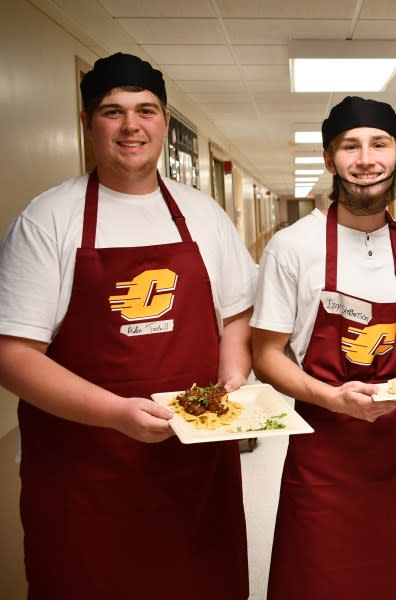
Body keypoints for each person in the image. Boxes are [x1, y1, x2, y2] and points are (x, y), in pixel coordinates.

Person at [0, 53, 257, 599]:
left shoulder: (204, 214)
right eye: (112, 112)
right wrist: (115, 414)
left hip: (194, 467)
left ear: (164, 120)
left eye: (146, 110)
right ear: (87, 123)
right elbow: (13, 355)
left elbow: (237, 316)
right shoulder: (49, 220)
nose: (131, 126)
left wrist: (230, 383)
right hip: (85, 476)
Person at [251, 96, 396, 600]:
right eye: (350, 146)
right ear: (330, 160)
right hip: (325, 460)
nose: (366, 158)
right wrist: (331, 398)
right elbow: (267, 355)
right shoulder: (292, 247)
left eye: (379, 144)